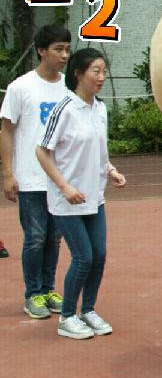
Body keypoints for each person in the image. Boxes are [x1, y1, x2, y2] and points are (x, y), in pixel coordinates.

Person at [35, 48, 126, 339]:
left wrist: (111, 170)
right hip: (67, 200)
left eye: (104, 72)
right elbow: (42, 151)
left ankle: (88, 310)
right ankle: (67, 317)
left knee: (99, 256)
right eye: (95, 71)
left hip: (93, 197)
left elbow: (99, 151)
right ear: (78, 74)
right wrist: (64, 187)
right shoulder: (64, 109)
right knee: (83, 257)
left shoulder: (100, 109)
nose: (101, 77)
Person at [1, 24, 72, 317]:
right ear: (41, 51)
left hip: (60, 179)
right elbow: (6, 131)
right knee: (36, 237)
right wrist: (8, 173)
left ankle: (48, 289)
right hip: (31, 178)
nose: (64, 55)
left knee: (54, 238)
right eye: (58, 49)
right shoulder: (21, 87)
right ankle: (33, 294)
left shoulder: (70, 87)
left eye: (67, 49)